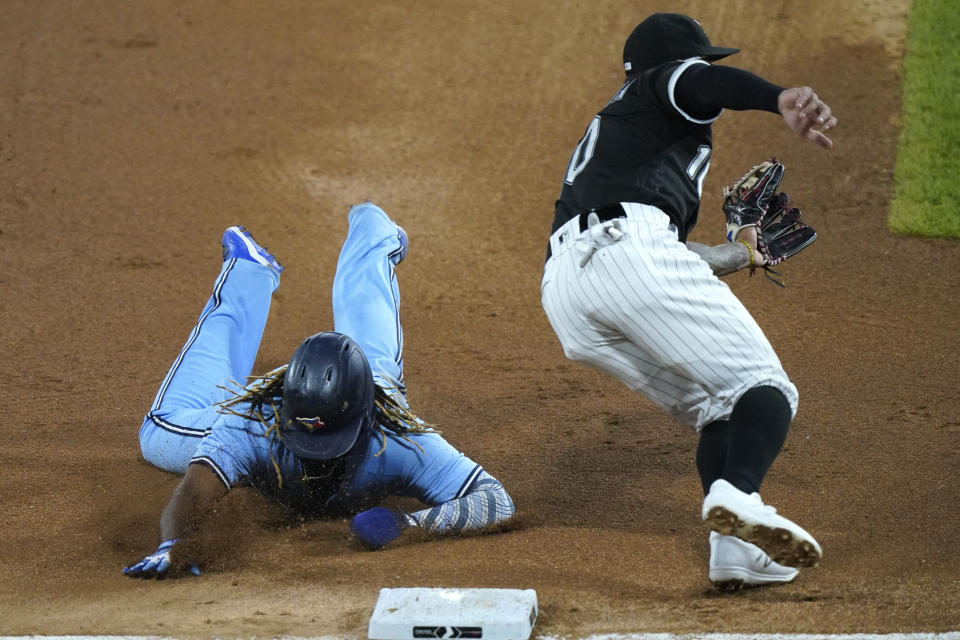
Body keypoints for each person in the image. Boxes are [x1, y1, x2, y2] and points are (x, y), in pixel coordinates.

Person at [539, 13, 837, 589]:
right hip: (625, 252)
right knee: (765, 388)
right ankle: (739, 494)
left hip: (570, 292)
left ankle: (733, 548)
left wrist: (739, 252)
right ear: (678, 64)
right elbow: (704, 83)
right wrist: (780, 99)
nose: (706, 77)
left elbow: (645, 256)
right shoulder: (666, 85)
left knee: (719, 408)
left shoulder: (625, 139)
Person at [124, 202, 515, 578]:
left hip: (369, 387)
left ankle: (374, 233)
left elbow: (495, 500)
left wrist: (408, 523)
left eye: (332, 442)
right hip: (277, 406)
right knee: (160, 430)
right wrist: (173, 542)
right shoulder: (253, 425)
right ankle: (246, 273)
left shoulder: (399, 439)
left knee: (374, 352)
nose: (318, 458)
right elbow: (195, 491)